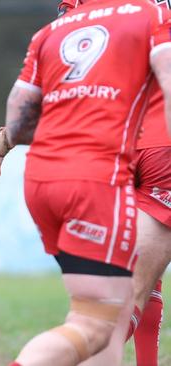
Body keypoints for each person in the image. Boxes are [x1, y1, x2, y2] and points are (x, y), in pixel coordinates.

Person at [0, 0, 171, 365]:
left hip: (50, 174)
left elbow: (25, 116)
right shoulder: (153, 12)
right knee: (107, 316)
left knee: (104, 306)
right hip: (141, 151)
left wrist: (7, 139)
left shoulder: (56, 27)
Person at [57, 2, 171, 365]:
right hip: (159, 141)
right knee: (134, 286)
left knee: (135, 278)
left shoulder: (78, 5)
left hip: (104, 141)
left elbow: (62, 58)